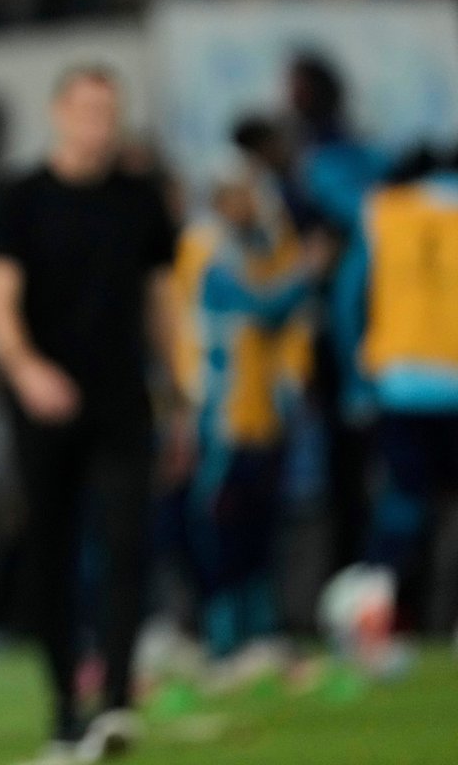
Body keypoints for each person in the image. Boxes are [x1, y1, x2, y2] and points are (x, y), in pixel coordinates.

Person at [0, 65, 179, 762]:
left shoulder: (141, 200)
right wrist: (27, 368)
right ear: (60, 112)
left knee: (128, 545)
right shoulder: (23, 199)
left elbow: (161, 298)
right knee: (51, 553)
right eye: (88, 108)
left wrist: (180, 388)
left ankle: (117, 700)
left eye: (109, 110)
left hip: (123, 397)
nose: (100, 122)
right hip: (45, 404)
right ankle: (65, 703)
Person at [172, 153, 323, 666]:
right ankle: (221, 633)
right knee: (220, 522)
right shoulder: (208, 248)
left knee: (259, 523)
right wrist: (307, 271)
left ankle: (257, 627)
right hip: (221, 412)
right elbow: (262, 305)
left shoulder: (256, 245)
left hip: (261, 412)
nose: (253, 204)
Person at [335, 150, 458, 628]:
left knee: (404, 499)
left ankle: (373, 613)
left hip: (401, 383)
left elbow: (348, 298)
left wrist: (356, 374)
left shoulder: (386, 212)